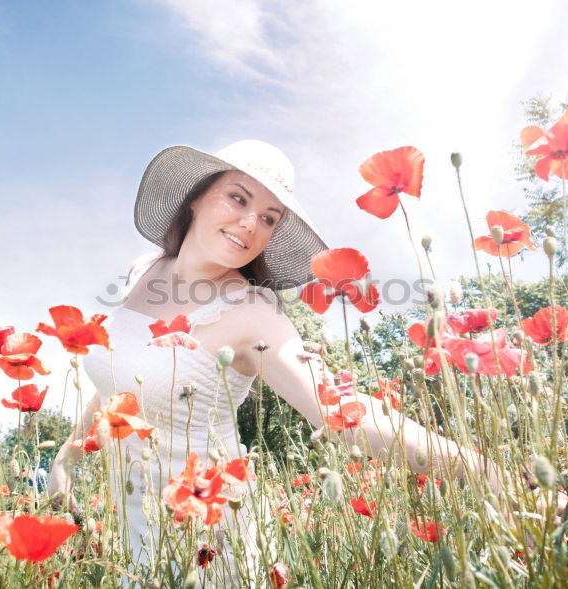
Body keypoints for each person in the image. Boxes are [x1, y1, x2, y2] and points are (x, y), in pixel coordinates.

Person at [46, 140, 506, 587]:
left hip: (209, 540)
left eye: (268, 217)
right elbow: (119, 374)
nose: (250, 224)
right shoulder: (144, 270)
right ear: (195, 199)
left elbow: (341, 414)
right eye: (237, 198)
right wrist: (67, 454)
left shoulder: (254, 314)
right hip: (136, 524)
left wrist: (487, 472)